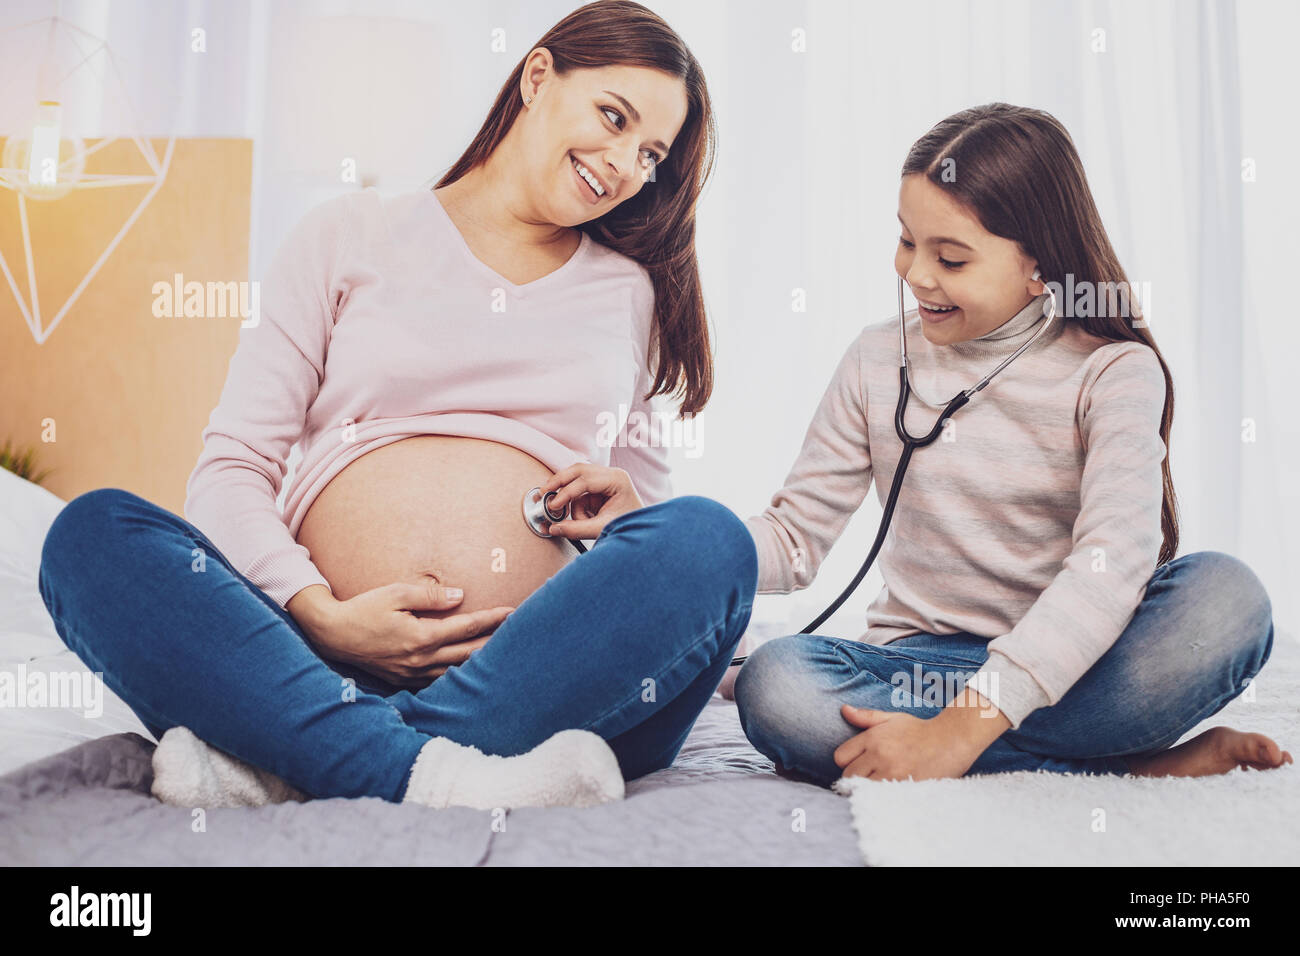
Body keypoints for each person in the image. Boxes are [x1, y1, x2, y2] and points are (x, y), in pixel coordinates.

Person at [38, 0, 757, 810]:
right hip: (311, 658)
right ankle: (427, 770)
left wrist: (631, 521)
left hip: (530, 688)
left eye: (651, 153)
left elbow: (650, 562)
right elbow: (234, 467)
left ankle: (302, 755)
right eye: (614, 117)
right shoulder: (347, 235)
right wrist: (319, 614)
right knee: (91, 536)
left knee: (713, 542)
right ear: (538, 76)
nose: (625, 162)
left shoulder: (631, 295)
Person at [731, 103, 1291, 785]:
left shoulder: (1113, 372)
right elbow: (794, 538)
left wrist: (962, 731)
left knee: (1228, 600)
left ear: (1039, 267)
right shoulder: (878, 358)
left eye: (952, 257)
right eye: (908, 241)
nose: (916, 274)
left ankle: (953, 748)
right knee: (776, 685)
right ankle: (1123, 761)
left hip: (1076, 663)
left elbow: (1110, 569)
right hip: (918, 668)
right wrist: (673, 539)